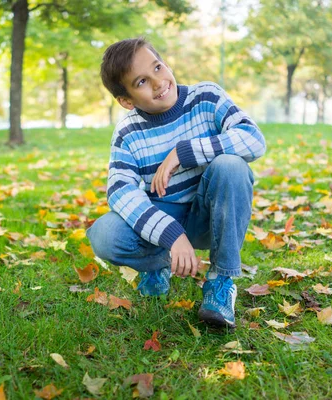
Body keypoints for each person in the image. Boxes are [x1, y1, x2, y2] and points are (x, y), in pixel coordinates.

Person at [86, 38, 266, 329]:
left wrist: (184, 153)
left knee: (231, 165)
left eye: (158, 67)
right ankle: (158, 265)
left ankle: (220, 282)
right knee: (104, 234)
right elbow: (120, 192)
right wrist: (171, 235)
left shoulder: (205, 96)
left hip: (209, 216)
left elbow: (253, 139)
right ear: (127, 100)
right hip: (164, 219)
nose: (159, 82)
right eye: (142, 81)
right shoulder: (127, 132)